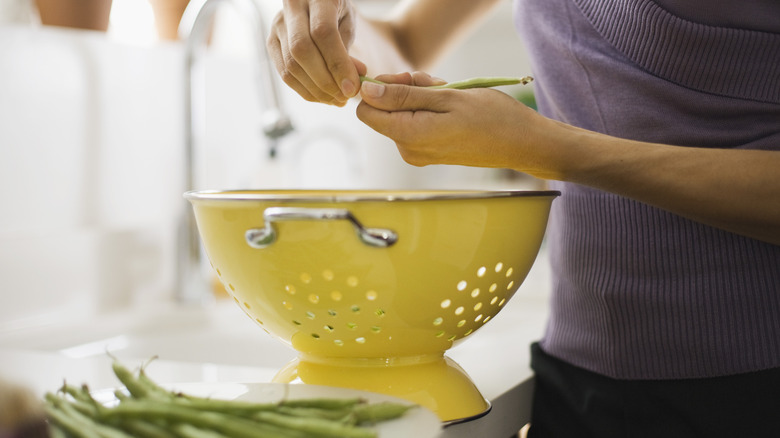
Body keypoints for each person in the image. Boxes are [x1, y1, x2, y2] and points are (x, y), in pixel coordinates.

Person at [266, 0, 780, 436]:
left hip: (753, 389)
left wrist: (541, 148)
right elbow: (406, 41)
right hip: (576, 378)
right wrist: (334, 37)